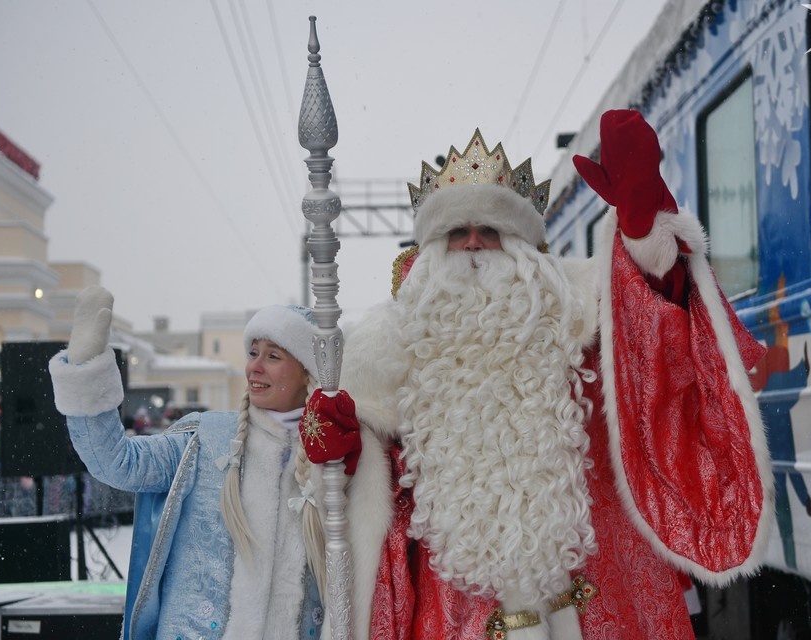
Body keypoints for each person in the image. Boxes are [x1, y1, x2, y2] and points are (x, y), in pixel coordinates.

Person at [301, 111, 773, 639]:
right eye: (457, 232)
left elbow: (658, 348)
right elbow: (361, 507)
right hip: (455, 611)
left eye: (492, 231)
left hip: (598, 589)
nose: (475, 244)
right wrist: (342, 457)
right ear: (431, 247)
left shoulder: (580, 309)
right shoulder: (383, 350)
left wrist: (647, 235)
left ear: (525, 246)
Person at [49, 286, 327, 640]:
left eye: (273, 357)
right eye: (253, 352)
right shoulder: (205, 439)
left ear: (307, 371)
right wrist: (86, 368)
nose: (254, 366)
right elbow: (117, 463)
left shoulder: (335, 457)